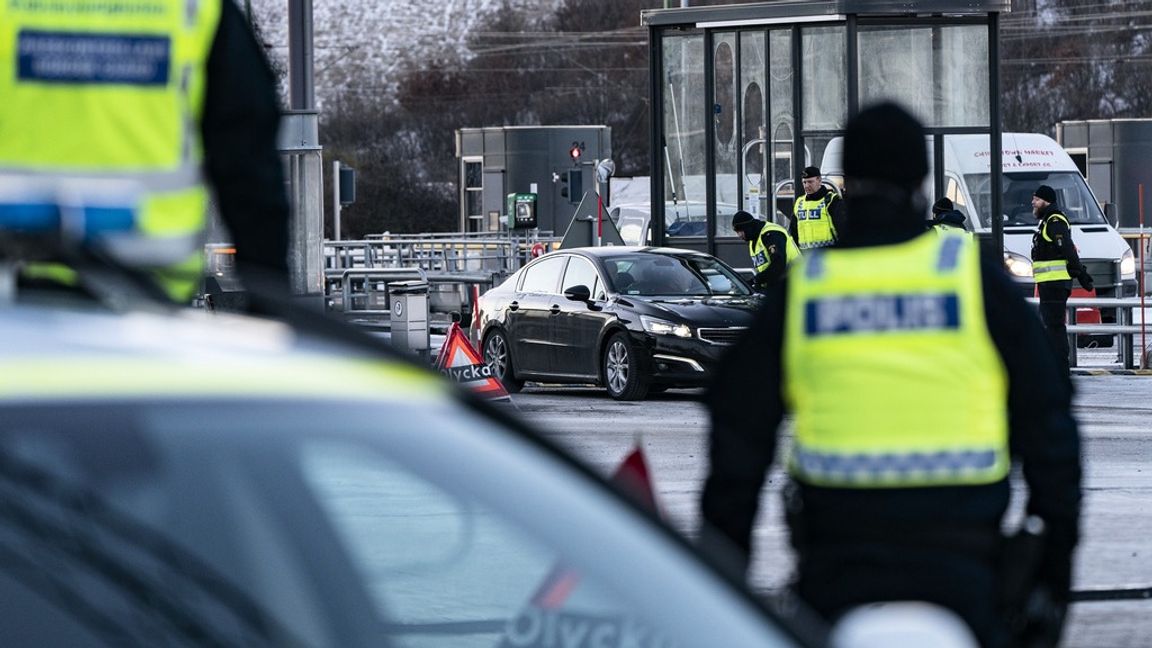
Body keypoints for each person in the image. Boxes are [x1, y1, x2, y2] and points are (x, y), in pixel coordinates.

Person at [700, 102, 1081, 648]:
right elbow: (1052, 428)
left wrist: (722, 581)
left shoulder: (807, 291)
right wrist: (1051, 575)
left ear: (845, 181)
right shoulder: (972, 281)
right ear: (921, 180)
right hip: (965, 573)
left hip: (836, 576)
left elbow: (736, 440)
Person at [0, 0, 290, 302]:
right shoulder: (195, 9)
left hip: (16, 297)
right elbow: (249, 167)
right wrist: (272, 303)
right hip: (150, 295)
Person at [1031, 185, 1094, 364]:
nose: (1032, 203)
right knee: (1052, 325)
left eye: (1036, 199)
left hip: (1055, 283)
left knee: (1055, 326)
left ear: (1046, 201)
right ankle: (1055, 364)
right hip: (1049, 283)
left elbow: (1066, 248)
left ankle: (1059, 365)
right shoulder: (1047, 220)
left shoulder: (1055, 221)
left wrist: (1080, 273)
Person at [732, 210, 799, 292]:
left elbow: (778, 265)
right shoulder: (753, 241)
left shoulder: (771, 234)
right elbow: (764, 268)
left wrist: (755, 280)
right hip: (778, 285)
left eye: (740, 231)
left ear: (748, 227)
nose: (739, 235)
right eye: (737, 232)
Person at [789, 166, 845, 250]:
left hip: (828, 254)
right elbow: (793, 231)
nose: (806, 186)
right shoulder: (799, 202)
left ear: (819, 180)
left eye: (810, 182)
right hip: (805, 255)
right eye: (804, 182)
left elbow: (842, 230)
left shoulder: (832, 201)